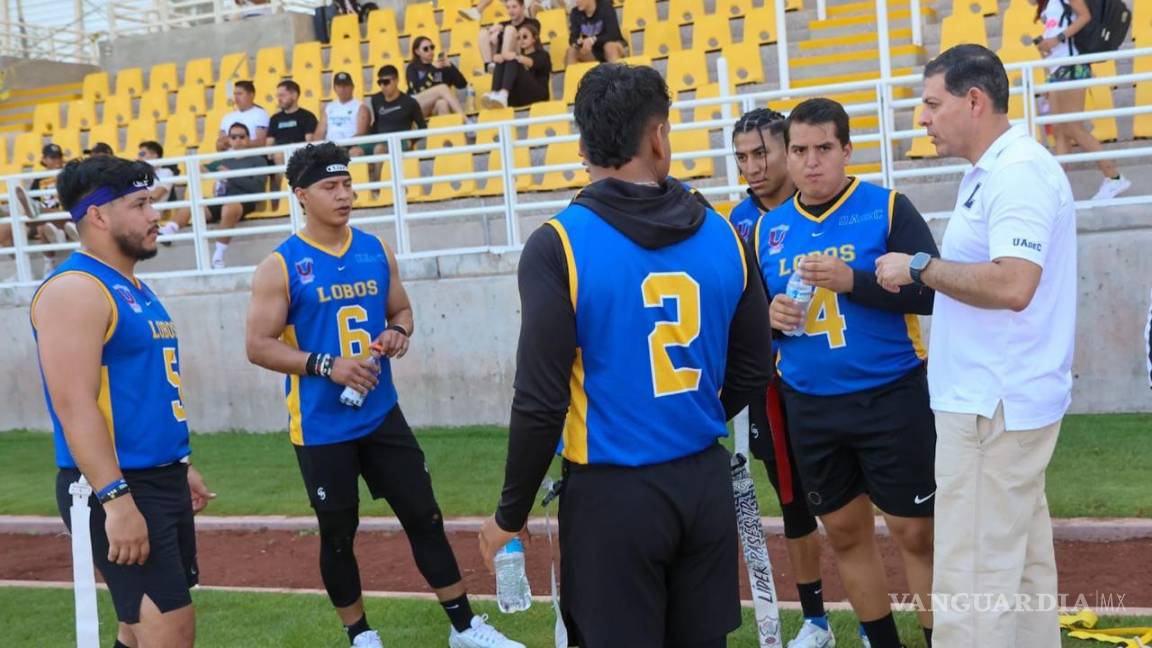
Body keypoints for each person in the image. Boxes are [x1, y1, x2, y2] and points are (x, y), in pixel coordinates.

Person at [478, 64, 773, 648]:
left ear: (584, 146)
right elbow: (754, 369)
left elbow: (540, 400)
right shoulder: (723, 232)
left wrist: (508, 516)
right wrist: (688, 415)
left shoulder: (558, 244)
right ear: (658, 136)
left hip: (612, 498)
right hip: (701, 481)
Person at [244, 142, 524, 648]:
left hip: (380, 415)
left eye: (347, 184)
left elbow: (402, 312)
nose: (345, 194)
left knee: (424, 514)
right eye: (330, 187)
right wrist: (326, 365)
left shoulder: (376, 248)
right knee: (337, 532)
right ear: (302, 195)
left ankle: (464, 627)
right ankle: (361, 635)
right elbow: (257, 346)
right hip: (321, 425)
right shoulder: (281, 265)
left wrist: (399, 333)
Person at [876, 43, 1078, 648]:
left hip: (992, 406)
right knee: (1019, 574)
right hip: (997, 400)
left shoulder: (1015, 172)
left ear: (973, 100)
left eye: (932, 104)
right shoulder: (996, 171)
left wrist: (919, 267)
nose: (922, 118)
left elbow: (1015, 283)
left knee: (972, 581)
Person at [760, 97, 938, 648]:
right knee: (842, 530)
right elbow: (748, 318)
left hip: (891, 394)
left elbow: (934, 292)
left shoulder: (887, 208)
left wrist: (854, 281)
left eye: (823, 149)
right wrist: (769, 318)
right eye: (799, 150)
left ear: (846, 150)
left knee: (916, 532)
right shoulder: (768, 228)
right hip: (810, 404)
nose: (811, 162)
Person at [31, 154, 214, 648]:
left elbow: (144, 391)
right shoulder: (76, 289)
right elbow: (74, 405)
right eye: (140, 203)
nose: (155, 214)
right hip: (117, 485)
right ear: (98, 215)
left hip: (156, 476)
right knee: (170, 633)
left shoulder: (132, 286)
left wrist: (181, 463)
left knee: (136, 628)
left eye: (152, 202)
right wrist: (115, 500)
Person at [728, 107, 835, 648]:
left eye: (761, 152)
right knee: (792, 499)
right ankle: (816, 620)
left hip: (844, 380)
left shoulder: (835, 208)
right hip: (772, 388)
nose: (752, 166)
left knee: (855, 500)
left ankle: (872, 612)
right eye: (742, 157)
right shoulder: (735, 224)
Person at [1034, 0, 1131, 200]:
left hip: (1072, 66)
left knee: (1073, 128)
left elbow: (1085, 16)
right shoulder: (1049, 4)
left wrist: (1056, 39)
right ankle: (1059, 190)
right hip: (1057, 69)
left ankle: (1114, 177)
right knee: (1060, 132)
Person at [164, 123, 268, 268]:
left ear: (248, 139)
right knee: (194, 205)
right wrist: (199, 168)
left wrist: (230, 175)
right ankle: (169, 230)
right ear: (229, 140)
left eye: (242, 137)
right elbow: (206, 167)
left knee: (229, 207)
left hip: (245, 201)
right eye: (234, 137)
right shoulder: (225, 160)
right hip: (223, 201)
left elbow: (257, 188)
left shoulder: (258, 160)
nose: (238, 140)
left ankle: (218, 256)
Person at [369, 65, 428, 183]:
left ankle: (376, 186)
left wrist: (411, 141)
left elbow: (423, 127)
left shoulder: (409, 102)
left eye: (386, 82)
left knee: (379, 149)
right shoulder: (375, 99)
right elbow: (377, 122)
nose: (382, 86)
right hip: (380, 138)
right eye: (379, 82)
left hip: (400, 141)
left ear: (396, 81)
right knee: (354, 151)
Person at [267, 79, 320, 209]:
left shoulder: (307, 116)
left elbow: (309, 142)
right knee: (277, 155)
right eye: (277, 95)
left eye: (282, 95)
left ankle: (288, 195)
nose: (278, 99)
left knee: (281, 155)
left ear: (294, 95)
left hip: (300, 157)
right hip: (279, 158)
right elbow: (269, 145)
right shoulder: (275, 119)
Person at [480, 22, 552, 109]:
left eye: (525, 37)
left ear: (534, 38)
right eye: (518, 38)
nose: (521, 40)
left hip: (537, 96)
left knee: (512, 59)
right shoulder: (518, 55)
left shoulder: (542, 54)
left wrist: (515, 56)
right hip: (518, 97)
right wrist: (498, 58)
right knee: (502, 60)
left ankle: (503, 93)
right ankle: (494, 93)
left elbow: (533, 63)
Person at [406, 37, 469, 118]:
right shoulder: (412, 67)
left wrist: (450, 66)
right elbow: (416, 89)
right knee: (442, 88)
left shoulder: (440, 66)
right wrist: (432, 69)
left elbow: (462, 84)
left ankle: (446, 130)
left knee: (442, 103)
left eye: (432, 47)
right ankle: (466, 121)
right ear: (417, 52)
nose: (430, 51)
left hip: (433, 107)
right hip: (416, 106)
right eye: (426, 49)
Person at [317, 71, 371, 157]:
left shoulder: (361, 107)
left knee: (356, 152)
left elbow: (361, 133)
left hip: (350, 147)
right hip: (329, 147)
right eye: (339, 86)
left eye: (346, 85)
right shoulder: (329, 108)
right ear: (334, 88)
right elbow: (319, 133)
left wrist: (342, 146)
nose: (343, 89)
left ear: (352, 87)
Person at [479, 0, 541, 73]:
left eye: (514, 7)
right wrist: (493, 34)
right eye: (508, 8)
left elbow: (526, 40)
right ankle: (489, 65)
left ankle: (503, 66)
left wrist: (501, 31)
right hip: (499, 58)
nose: (511, 11)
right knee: (483, 32)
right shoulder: (503, 24)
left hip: (522, 58)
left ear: (523, 7)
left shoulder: (533, 23)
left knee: (509, 29)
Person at [566, 0, 627, 65]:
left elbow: (613, 34)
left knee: (609, 47)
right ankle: (571, 74)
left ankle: (616, 73)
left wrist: (593, 39)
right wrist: (579, 42)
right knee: (572, 51)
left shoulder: (606, 7)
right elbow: (572, 38)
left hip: (614, 46)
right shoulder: (575, 13)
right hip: (593, 51)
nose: (577, 2)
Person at [217, 80, 270, 151]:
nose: (236, 97)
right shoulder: (227, 117)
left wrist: (237, 144)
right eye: (235, 94)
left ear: (251, 95)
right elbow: (219, 145)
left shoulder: (260, 114)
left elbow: (262, 142)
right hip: (229, 159)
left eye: (240, 94)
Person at [459, 0, 548, 23]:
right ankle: (477, 11)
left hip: (530, 12)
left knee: (535, 5)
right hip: (520, 7)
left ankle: (477, 12)